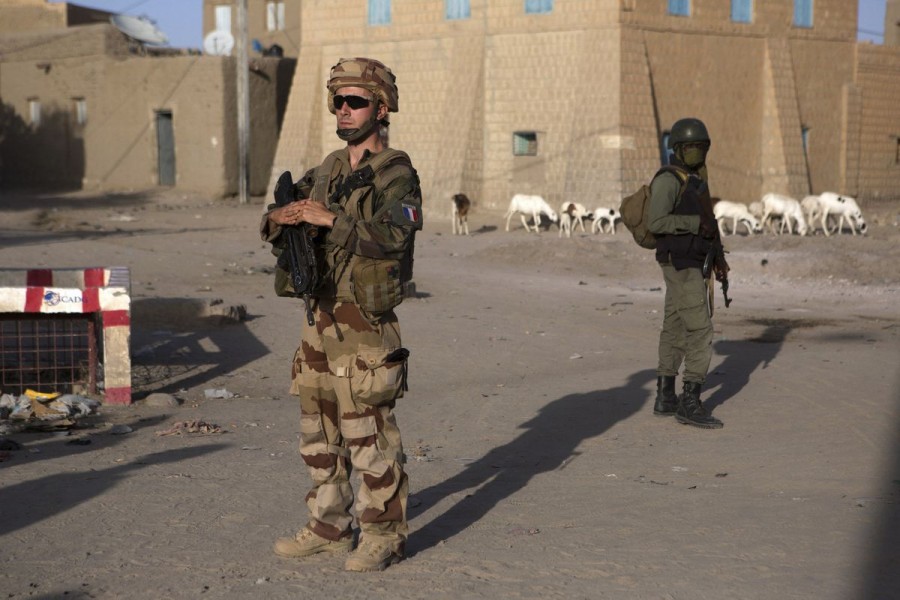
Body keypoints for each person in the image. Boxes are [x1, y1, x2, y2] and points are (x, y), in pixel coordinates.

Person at [260, 57, 423, 571]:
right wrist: (278, 218)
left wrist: (329, 219)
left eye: (356, 101)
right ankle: (330, 527)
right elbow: (274, 221)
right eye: (339, 101)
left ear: (381, 107)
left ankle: (384, 535)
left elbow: (394, 239)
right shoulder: (327, 168)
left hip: (364, 323)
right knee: (319, 431)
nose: (345, 110)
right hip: (318, 318)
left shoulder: (398, 173)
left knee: (368, 432)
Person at [647, 117, 727, 429]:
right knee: (701, 330)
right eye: (691, 147)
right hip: (680, 264)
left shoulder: (693, 178)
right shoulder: (668, 179)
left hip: (690, 262)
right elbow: (656, 222)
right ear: (678, 149)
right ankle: (690, 401)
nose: (696, 152)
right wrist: (695, 225)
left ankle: (666, 396)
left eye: (701, 147)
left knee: (675, 325)